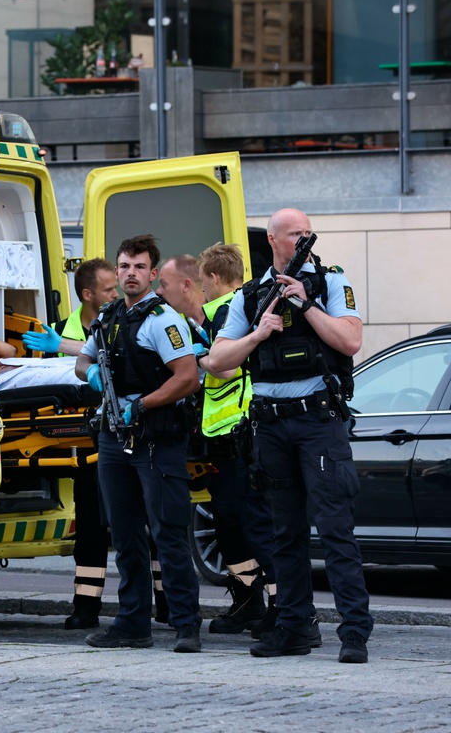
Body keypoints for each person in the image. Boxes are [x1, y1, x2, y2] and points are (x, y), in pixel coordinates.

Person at [208, 208, 372, 664]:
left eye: (307, 233)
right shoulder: (250, 295)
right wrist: (258, 335)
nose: (304, 240)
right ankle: (294, 627)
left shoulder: (330, 282)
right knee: (285, 532)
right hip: (271, 426)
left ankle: (354, 632)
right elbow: (217, 361)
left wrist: (307, 304)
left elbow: (350, 341)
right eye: (295, 233)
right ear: (273, 240)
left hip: (317, 421)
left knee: (335, 528)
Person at [24, 258, 171, 630]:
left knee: (152, 523)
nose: (116, 293)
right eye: (108, 289)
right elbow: (42, 379)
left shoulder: (125, 321)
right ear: (88, 294)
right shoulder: (59, 331)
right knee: (90, 526)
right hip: (81, 441)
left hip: (132, 434)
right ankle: (86, 606)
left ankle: (166, 604)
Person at [75, 234, 203, 652]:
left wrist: (142, 405)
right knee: (125, 535)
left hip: (155, 437)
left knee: (168, 533)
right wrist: (90, 372)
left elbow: (188, 377)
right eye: (125, 267)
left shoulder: (163, 320)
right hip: (114, 437)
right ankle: (132, 624)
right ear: (117, 271)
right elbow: (83, 358)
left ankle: (186, 624)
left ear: (152, 273)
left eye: (140, 267)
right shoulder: (110, 315)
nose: (131, 274)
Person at [192, 244, 279, 637]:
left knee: (252, 524)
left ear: (213, 278)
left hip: (240, 436)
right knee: (230, 525)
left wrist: (201, 358)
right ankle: (248, 602)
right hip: (228, 439)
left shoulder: (228, 310)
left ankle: (278, 607)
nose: (201, 289)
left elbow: (229, 368)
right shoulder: (235, 307)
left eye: (202, 281)